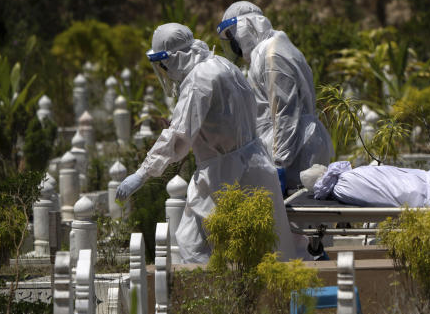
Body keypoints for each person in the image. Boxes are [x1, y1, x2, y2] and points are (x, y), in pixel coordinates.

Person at [116, 23, 301, 264]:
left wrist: (142, 174)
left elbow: (178, 136)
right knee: (264, 254)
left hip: (223, 176)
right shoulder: (224, 65)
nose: (164, 70)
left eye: (164, 63)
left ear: (176, 57)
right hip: (256, 165)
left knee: (195, 247)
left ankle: (211, 300)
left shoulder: (198, 79)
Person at [216, 1, 333, 193]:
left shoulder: (273, 53)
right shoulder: (269, 49)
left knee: (295, 216)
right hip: (293, 145)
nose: (234, 42)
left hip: (296, 151)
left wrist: (279, 164)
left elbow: (285, 112)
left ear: (246, 26)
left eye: (232, 34)